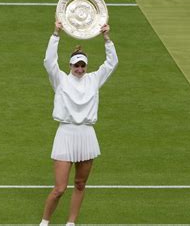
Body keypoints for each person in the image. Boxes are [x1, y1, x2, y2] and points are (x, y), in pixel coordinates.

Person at [39, 20, 118, 226]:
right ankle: (44, 222)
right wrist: (56, 33)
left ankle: (71, 223)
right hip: (65, 135)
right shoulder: (60, 80)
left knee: (80, 184)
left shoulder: (94, 79)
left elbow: (112, 63)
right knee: (59, 189)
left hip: (87, 136)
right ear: (70, 65)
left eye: (83, 65)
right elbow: (49, 61)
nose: (80, 69)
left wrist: (106, 38)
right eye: (76, 65)